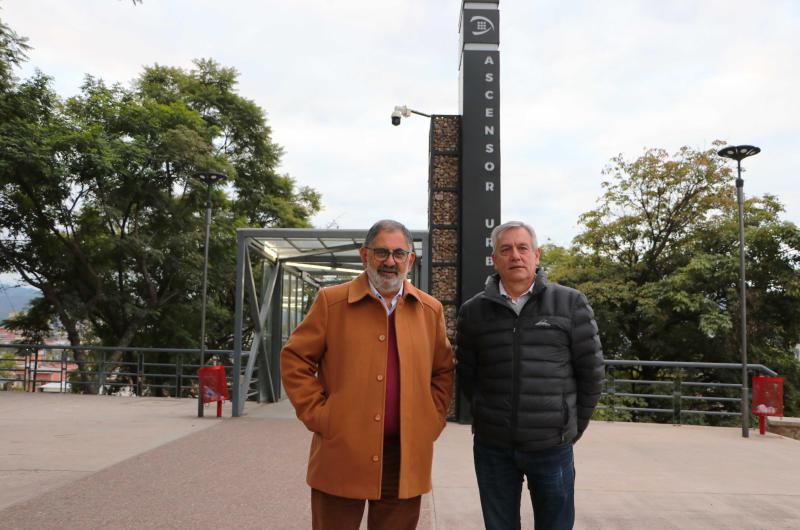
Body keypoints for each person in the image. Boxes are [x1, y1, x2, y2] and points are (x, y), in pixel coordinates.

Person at [281, 219, 455, 530]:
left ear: (410, 260)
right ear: (365, 256)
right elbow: (295, 358)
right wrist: (320, 415)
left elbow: (442, 371)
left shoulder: (430, 310)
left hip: (404, 460)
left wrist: (432, 418)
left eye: (399, 253)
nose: (390, 261)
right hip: (341, 452)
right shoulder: (331, 302)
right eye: (382, 252)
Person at [456, 221, 604, 530]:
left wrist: (570, 427)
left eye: (523, 248)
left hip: (551, 446)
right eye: (506, 249)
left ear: (536, 255)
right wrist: (488, 416)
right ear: (494, 259)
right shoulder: (473, 312)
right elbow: (467, 374)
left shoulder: (570, 303)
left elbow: (591, 374)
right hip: (493, 447)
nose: (515, 256)